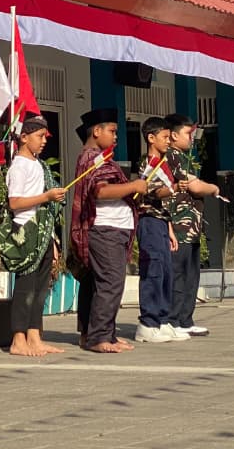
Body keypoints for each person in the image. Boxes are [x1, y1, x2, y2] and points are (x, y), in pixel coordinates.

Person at [69, 109, 145, 354]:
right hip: (105, 229)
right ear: (96, 131)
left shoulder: (100, 157)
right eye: (112, 131)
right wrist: (133, 185)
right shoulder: (92, 158)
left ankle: (106, 335)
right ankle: (98, 337)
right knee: (110, 283)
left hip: (115, 229)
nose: (116, 137)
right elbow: (99, 191)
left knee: (106, 283)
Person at [0, 116, 66, 357]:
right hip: (25, 233)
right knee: (25, 288)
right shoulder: (19, 166)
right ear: (24, 137)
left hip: (43, 233)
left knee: (40, 288)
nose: (43, 142)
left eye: (44, 137)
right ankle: (18, 338)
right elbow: (15, 203)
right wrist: (46, 197)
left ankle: (35, 336)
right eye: (39, 136)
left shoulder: (39, 164)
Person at [164, 114, 220, 338]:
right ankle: (173, 319)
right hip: (179, 226)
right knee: (178, 274)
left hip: (192, 227)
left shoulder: (183, 157)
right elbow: (195, 187)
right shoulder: (171, 156)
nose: (192, 138)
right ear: (174, 135)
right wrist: (213, 188)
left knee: (191, 275)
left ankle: (185, 319)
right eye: (188, 134)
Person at [132, 117, 182, 344]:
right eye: (164, 137)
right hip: (149, 222)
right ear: (151, 138)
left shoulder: (163, 163)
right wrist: (173, 189)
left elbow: (164, 204)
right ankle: (148, 323)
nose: (168, 142)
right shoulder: (147, 165)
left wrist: (170, 229)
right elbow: (154, 193)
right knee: (152, 269)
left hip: (161, 222)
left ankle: (162, 319)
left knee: (165, 271)